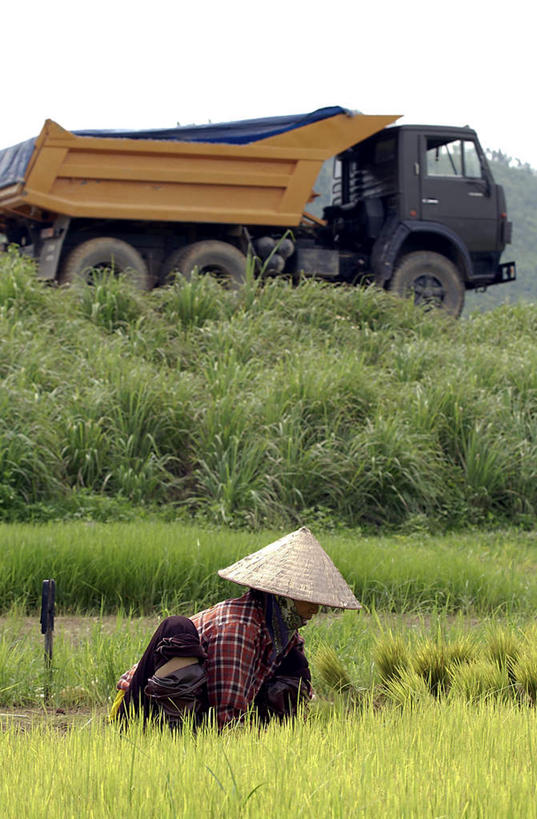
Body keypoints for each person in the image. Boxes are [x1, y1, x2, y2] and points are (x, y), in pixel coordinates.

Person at [110, 526, 361, 729]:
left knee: (294, 668)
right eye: (308, 599)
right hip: (139, 709)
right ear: (281, 596)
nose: (315, 609)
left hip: (202, 713)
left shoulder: (286, 640)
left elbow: (300, 701)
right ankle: (171, 741)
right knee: (178, 628)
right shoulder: (238, 629)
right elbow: (226, 716)